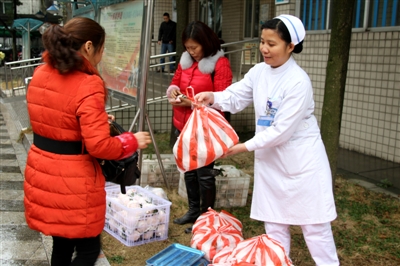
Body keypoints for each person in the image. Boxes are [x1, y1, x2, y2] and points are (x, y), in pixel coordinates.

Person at [195, 15, 339, 265]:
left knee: (315, 227)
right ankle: (278, 261)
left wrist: (241, 147)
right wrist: (213, 97)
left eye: (271, 44)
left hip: (302, 163)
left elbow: (282, 130)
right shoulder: (260, 71)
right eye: (262, 41)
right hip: (272, 161)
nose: (264, 49)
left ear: (290, 46)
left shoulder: (298, 81)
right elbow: (237, 95)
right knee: (274, 224)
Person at [23, 17, 152, 266]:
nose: (101, 57)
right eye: (102, 50)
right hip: (74, 181)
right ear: (89, 47)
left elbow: (57, 120)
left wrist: (95, 119)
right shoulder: (88, 83)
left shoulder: (41, 74)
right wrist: (130, 141)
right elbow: (99, 146)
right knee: (89, 249)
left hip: (43, 170)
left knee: (61, 243)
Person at [166, 21, 232, 233]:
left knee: (204, 174)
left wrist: (190, 102)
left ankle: (206, 216)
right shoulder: (185, 61)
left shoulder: (220, 64)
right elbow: (175, 82)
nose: (191, 51)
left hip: (204, 126)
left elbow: (222, 98)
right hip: (183, 123)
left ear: (206, 43)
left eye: (194, 47)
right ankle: (193, 210)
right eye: (187, 47)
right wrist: (174, 92)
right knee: (188, 168)